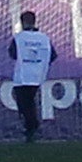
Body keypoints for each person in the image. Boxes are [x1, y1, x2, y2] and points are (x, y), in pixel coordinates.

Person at [9, 10, 56, 143]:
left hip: (22, 76)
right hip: (38, 75)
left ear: (22, 22)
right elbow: (53, 55)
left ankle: (32, 127)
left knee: (24, 103)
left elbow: (12, 54)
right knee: (29, 101)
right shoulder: (44, 38)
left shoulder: (19, 37)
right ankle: (31, 127)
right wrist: (39, 63)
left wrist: (26, 59)